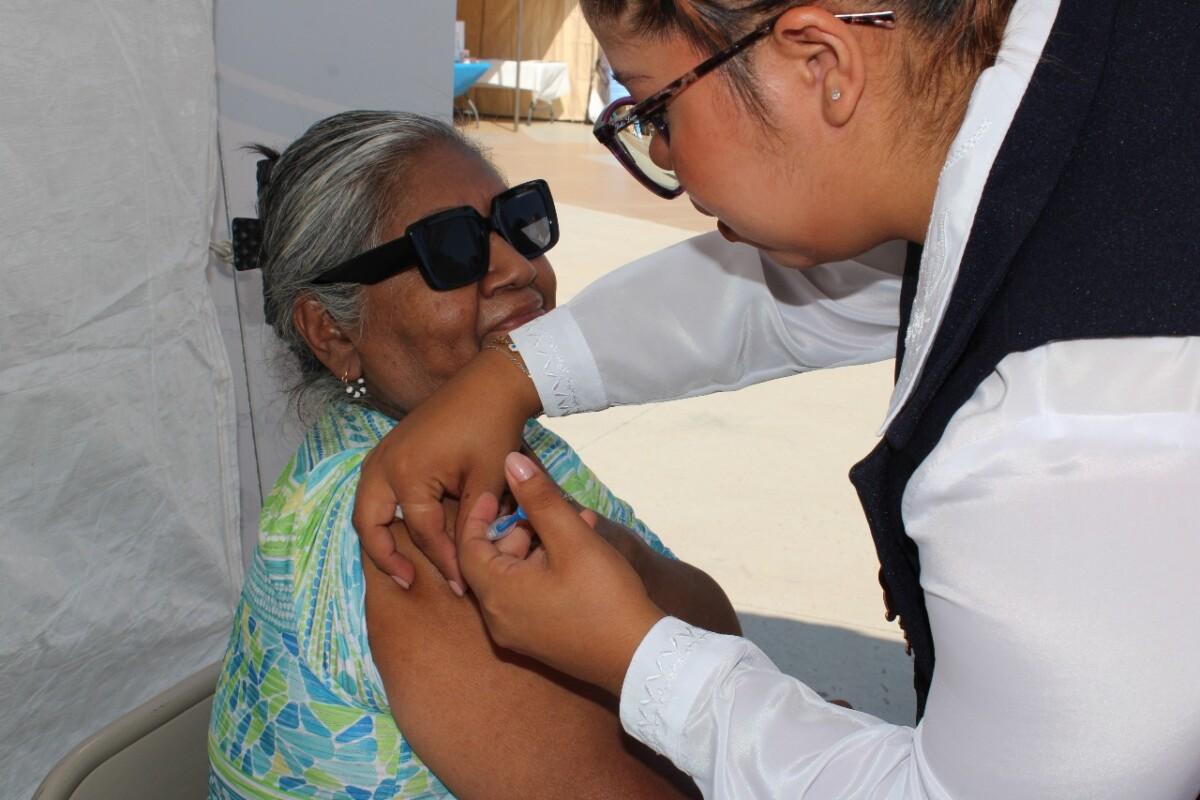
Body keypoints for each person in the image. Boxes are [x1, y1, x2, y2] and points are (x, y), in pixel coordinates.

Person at [348, 2, 1200, 798]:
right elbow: (803, 299)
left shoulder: (1073, 427)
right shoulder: (1088, 86)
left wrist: (641, 660)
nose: (665, 158)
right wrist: (515, 372)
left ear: (819, 61)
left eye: (653, 113)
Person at [207, 110, 740, 800]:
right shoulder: (414, 526)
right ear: (331, 332)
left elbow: (720, 641)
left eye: (520, 221)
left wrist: (625, 560)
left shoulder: (499, 437)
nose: (518, 267)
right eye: (451, 249)